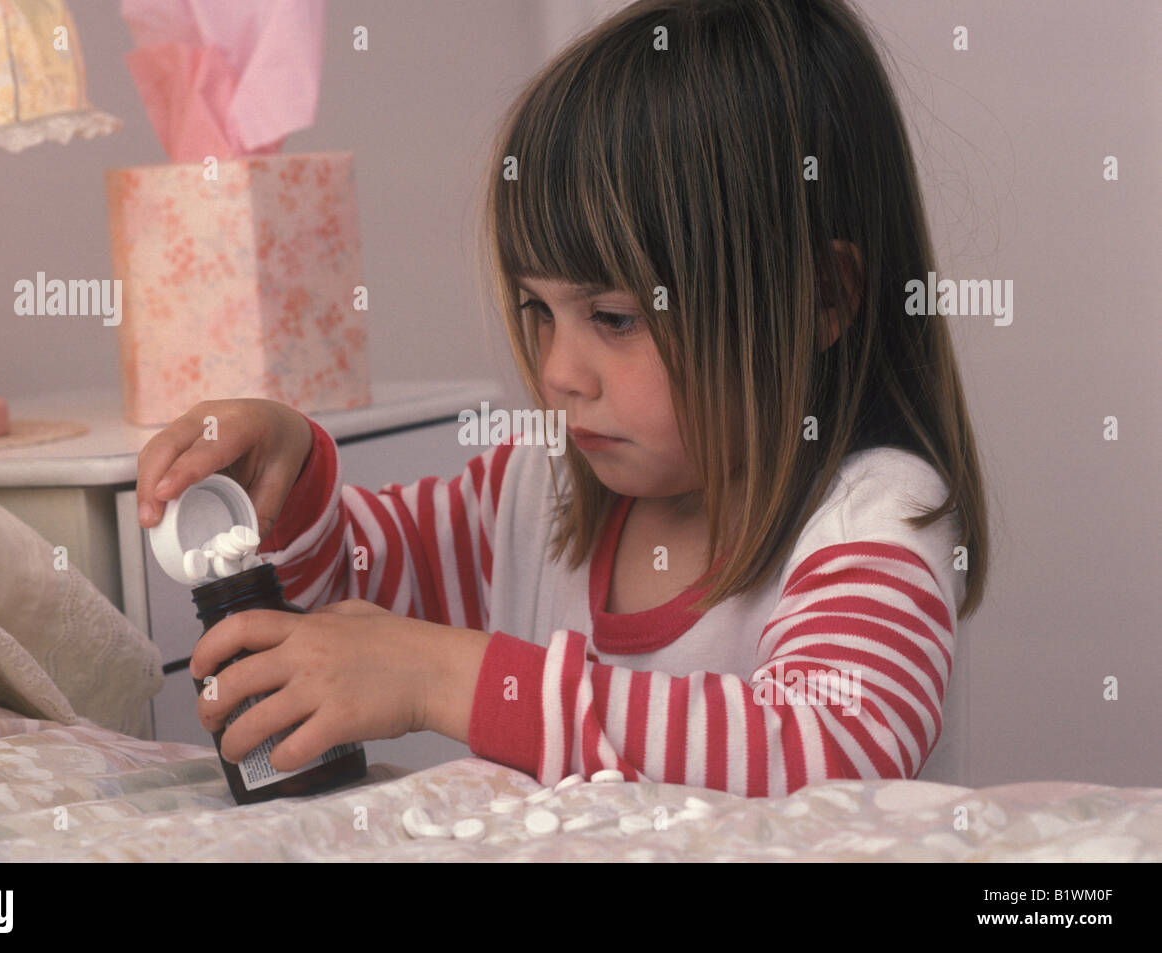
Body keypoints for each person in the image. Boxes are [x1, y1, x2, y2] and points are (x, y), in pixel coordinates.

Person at [136, 0, 989, 797]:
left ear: (821, 299)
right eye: (540, 312)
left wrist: (446, 676)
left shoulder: (878, 520)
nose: (558, 372)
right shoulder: (539, 499)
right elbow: (348, 589)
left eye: (615, 317)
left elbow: (823, 750)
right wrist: (288, 482)